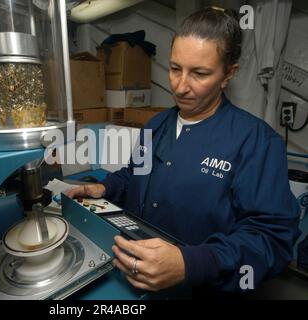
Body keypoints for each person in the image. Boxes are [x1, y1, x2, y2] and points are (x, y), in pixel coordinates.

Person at [66, 7, 301, 296]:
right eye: (175, 68)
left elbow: (273, 240)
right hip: (137, 278)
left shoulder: (257, 142)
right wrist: (105, 187)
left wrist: (191, 264)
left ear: (229, 74)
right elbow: (134, 176)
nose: (180, 86)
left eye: (199, 73)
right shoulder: (156, 125)